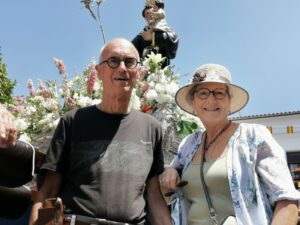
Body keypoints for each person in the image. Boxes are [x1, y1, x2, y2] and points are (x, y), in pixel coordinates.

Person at [29, 38, 172, 225]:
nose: (122, 68)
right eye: (113, 61)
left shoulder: (151, 128)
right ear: (99, 72)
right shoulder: (73, 121)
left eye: (129, 62)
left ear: (138, 72)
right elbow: (48, 191)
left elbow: (154, 195)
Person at [159, 64, 300, 225]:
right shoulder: (189, 144)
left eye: (219, 93)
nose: (211, 100)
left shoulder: (254, 136)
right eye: (203, 93)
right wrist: (169, 171)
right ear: (193, 102)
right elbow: (168, 190)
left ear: (229, 101)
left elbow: (287, 201)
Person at [132, 0, 179, 68]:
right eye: (147, 13)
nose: (151, 15)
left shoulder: (165, 31)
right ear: (145, 17)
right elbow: (130, 50)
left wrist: (153, 37)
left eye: (153, 11)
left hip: (162, 73)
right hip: (143, 73)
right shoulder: (141, 36)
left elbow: (173, 43)